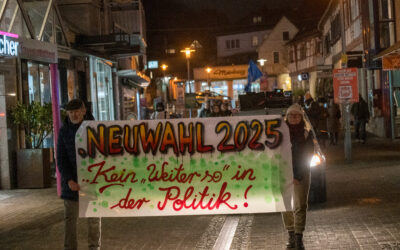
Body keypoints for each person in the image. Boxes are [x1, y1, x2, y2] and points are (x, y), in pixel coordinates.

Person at [57, 99, 101, 250]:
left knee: (94, 219)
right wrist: (69, 180)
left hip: (92, 182)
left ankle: (94, 247)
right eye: (70, 112)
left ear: (83, 111)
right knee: (70, 220)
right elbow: (61, 159)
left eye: (76, 111)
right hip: (71, 185)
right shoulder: (64, 131)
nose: (73, 115)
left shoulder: (95, 128)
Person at [282, 103, 314, 250]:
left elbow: (308, 155)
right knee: (286, 205)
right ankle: (291, 234)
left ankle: (299, 237)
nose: (294, 118)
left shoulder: (307, 133)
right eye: (291, 115)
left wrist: (298, 175)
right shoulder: (280, 133)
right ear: (286, 117)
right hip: (284, 174)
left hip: (302, 173)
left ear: (301, 117)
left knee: (300, 205)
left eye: (296, 115)